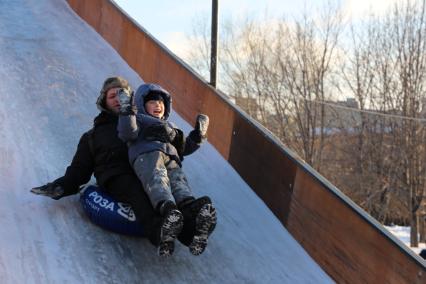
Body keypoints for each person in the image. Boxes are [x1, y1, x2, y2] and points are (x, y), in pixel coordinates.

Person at [30, 77, 215, 257]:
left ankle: (190, 232)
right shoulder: (93, 135)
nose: (118, 99)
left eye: (122, 94)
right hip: (116, 175)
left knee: (168, 186)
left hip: (145, 170)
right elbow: (79, 169)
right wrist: (62, 185)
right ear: (104, 101)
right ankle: (160, 231)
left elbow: (170, 148)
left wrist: (192, 138)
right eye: (112, 96)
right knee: (137, 190)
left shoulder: (145, 122)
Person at [117, 83, 217, 256]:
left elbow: (184, 147)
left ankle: (194, 220)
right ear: (141, 103)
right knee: (157, 179)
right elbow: (127, 132)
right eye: (152, 101)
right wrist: (127, 109)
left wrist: (199, 135)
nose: (158, 105)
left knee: (180, 184)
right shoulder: (139, 118)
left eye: (161, 102)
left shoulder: (171, 127)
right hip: (148, 154)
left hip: (172, 159)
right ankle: (168, 210)